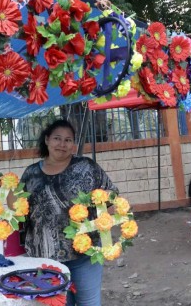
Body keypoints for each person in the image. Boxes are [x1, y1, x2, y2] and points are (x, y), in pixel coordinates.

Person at [20, 119, 118, 306]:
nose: (62, 144)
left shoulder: (86, 167)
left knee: (88, 303)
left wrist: (106, 204)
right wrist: (6, 189)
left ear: (73, 144)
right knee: (59, 303)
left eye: (68, 140)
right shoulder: (31, 173)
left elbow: (111, 195)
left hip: (84, 254)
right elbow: (19, 209)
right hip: (45, 257)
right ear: (47, 140)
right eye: (57, 138)